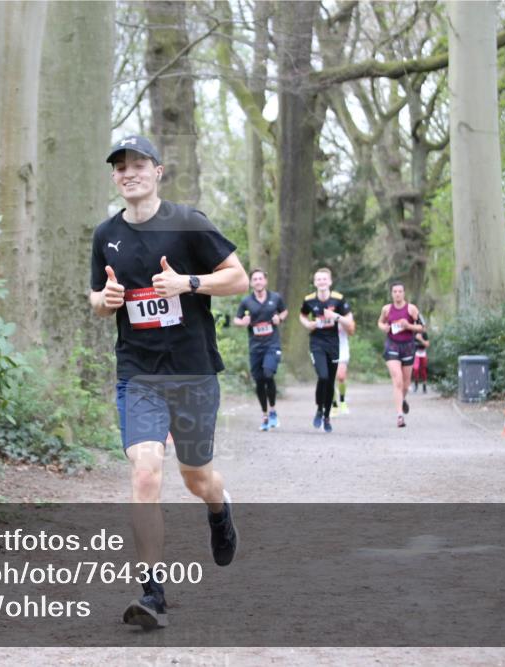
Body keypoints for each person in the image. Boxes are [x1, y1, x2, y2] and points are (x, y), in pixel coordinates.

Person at [90, 135, 248, 630]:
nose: (129, 173)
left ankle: (219, 510)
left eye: (139, 164)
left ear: (157, 171)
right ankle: (151, 593)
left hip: (193, 371)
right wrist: (105, 301)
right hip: (139, 374)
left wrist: (189, 283)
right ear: (114, 178)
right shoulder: (106, 234)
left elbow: (239, 278)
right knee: (145, 472)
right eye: (121, 167)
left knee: (197, 478)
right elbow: (96, 297)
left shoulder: (188, 223)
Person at [299, 268, 355, 433]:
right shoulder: (309, 300)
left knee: (330, 381)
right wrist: (308, 324)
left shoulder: (338, 299)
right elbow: (302, 315)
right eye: (318, 279)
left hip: (333, 343)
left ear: (330, 282)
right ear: (315, 282)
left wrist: (335, 316)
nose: (322, 282)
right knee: (322, 376)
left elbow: (349, 322)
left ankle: (327, 416)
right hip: (317, 343)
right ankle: (319, 409)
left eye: (324, 279)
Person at [233, 269, 288, 431]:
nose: (258, 281)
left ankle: (273, 411)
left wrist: (280, 318)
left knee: (268, 374)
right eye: (255, 279)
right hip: (255, 347)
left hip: (272, 344)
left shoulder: (275, 298)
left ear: (265, 281)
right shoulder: (246, 301)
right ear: (251, 283)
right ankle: (265, 415)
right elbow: (236, 319)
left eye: (260, 278)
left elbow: (284, 311)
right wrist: (243, 322)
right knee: (259, 381)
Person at [377, 282, 425, 427]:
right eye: (395, 291)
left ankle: (402, 399)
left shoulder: (411, 309)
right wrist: (384, 327)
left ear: (404, 293)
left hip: (408, 347)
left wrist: (408, 325)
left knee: (405, 384)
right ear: (391, 294)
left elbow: (422, 327)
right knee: (397, 380)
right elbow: (380, 322)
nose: (397, 294)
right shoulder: (386, 309)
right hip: (392, 345)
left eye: (400, 291)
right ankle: (400, 416)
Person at [331, 319, 351, 416]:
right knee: (329, 379)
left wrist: (343, 323)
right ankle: (334, 405)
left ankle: (342, 401)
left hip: (342, 349)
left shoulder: (344, 315)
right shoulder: (323, 314)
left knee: (341, 376)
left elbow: (352, 330)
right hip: (328, 348)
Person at [413, 316, 430, 393]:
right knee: (416, 369)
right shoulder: (414, 333)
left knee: (423, 370)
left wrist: (421, 339)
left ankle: (424, 386)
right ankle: (416, 385)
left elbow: (427, 344)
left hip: (423, 353)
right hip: (416, 353)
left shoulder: (424, 334)